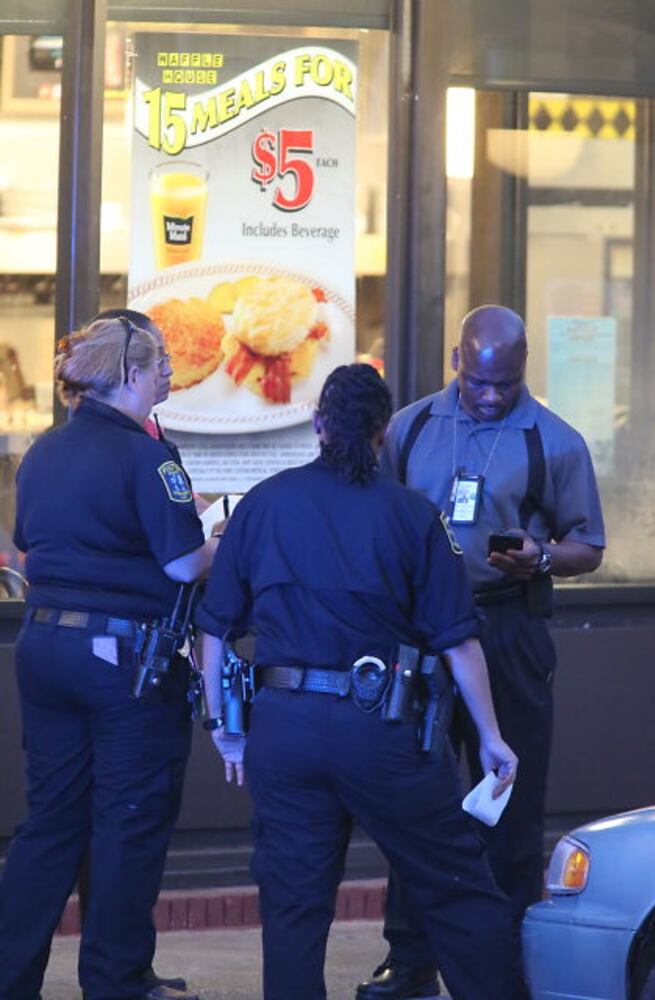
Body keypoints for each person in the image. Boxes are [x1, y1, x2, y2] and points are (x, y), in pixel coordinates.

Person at [197, 363, 523, 1000]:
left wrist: (222, 727)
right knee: (454, 886)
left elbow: (214, 630)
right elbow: (458, 641)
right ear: (383, 432)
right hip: (381, 729)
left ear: (318, 424)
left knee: (293, 905)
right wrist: (490, 735)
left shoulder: (263, 504)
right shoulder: (412, 515)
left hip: (284, 729)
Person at [357, 305, 605, 1000]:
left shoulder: (555, 441)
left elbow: (588, 544)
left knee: (509, 804)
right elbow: (378, 515)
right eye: (478, 383)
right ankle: (409, 960)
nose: (492, 396)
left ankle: (505, 965)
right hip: (422, 634)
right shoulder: (409, 428)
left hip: (507, 627)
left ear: (523, 369)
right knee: (415, 800)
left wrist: (542, 557)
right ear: (455, 362)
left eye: (506, 384)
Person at [0, 317, 217, 1000]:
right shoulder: (147, 457)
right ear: (128, 375)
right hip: (123, 661)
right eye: (158, 365)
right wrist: (227, 538)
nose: (165, 374)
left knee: (50, 822)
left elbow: (29, 541)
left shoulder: (43, 450)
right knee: (128, 820)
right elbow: (185, 564)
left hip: (44, 647)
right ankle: (116, 981)